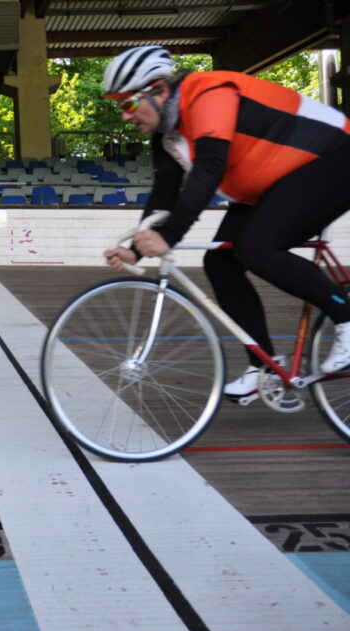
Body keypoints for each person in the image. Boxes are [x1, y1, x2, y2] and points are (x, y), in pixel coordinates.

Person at [101, 45, 350, 402]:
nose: (124, 116)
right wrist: (135, 250)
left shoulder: (209, 92)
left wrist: (169, 235)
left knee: (257, 249)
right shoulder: (167, 135)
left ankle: (347, 317)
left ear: (159, 90)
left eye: (127, 104)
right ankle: (264, 366)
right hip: (277, 180)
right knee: (219, 262)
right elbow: (164, 196)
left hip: (334, 157)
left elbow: (209, 168)